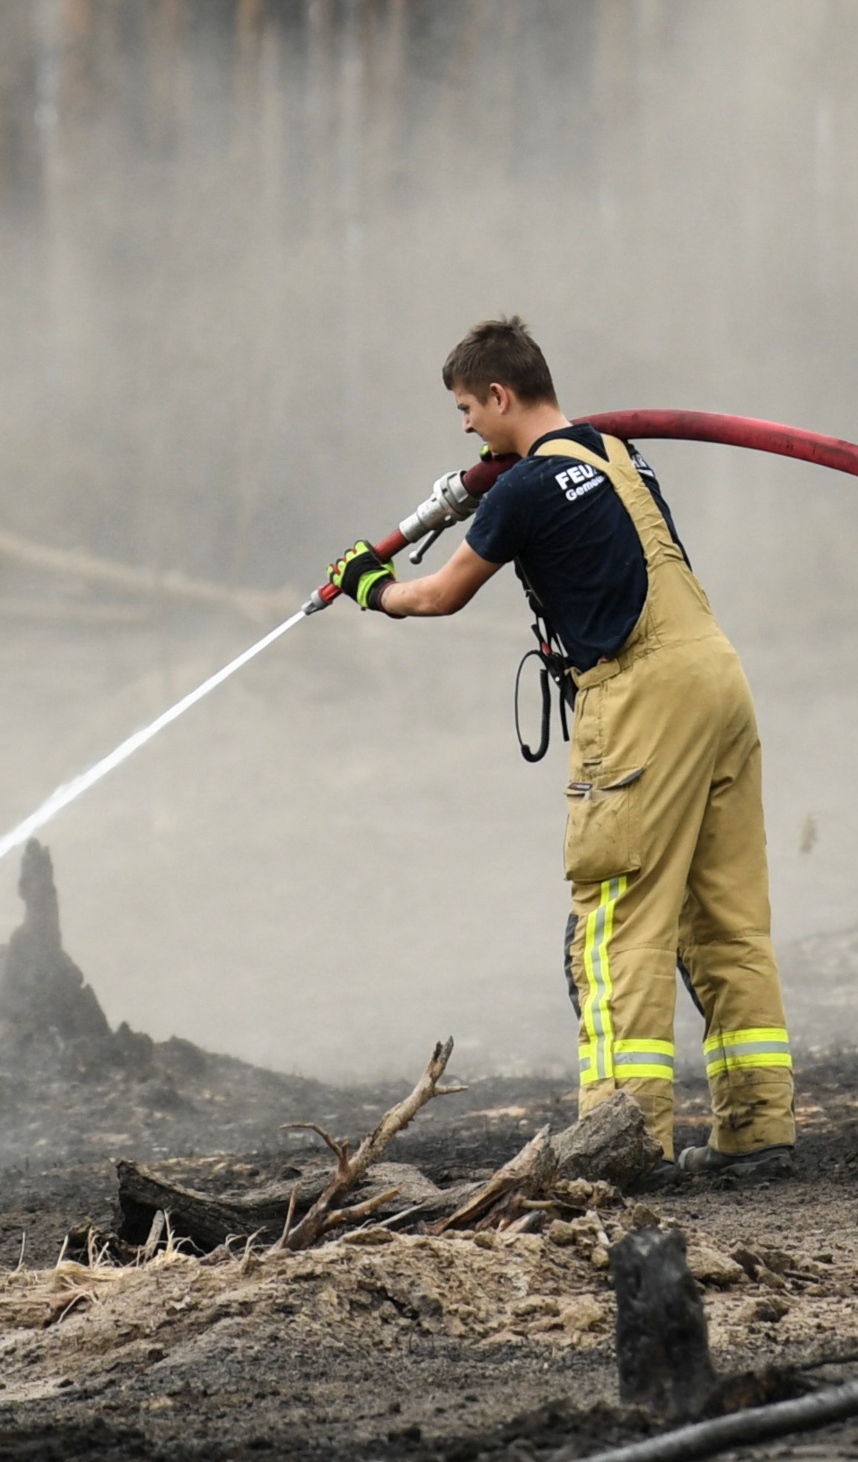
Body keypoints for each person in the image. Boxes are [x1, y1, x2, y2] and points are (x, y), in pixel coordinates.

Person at [321, 317, 794, 1184]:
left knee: (619, 919)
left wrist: (369, 585)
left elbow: (439, 596)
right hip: (719, 679)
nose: (464, 425)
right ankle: (758, 1130)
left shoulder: (527, 487)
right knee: (729, 918)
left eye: (467, 407)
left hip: (643, 696)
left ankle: (624, 1142)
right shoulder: (617, 452)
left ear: (500, 395)